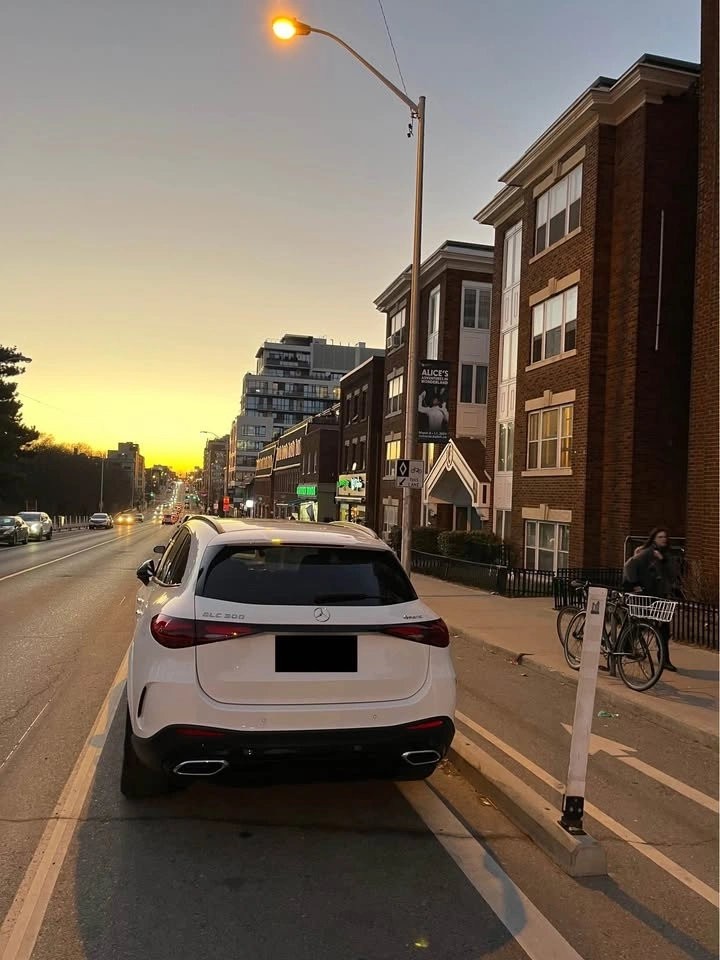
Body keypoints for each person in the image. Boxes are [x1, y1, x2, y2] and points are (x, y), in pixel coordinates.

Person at [622, 527, 678, 671]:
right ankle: (626, 646)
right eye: (660, 537)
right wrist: (635, 584)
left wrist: (663, 560)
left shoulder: (667, 555)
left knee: (664, 629)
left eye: (665, 537)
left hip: (661, 596)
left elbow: (673, 575)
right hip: (646, 595)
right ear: (653, 538)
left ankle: (664, 659)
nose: (663, 539)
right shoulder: (646, 552)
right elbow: (629, 566)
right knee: (640, 623)